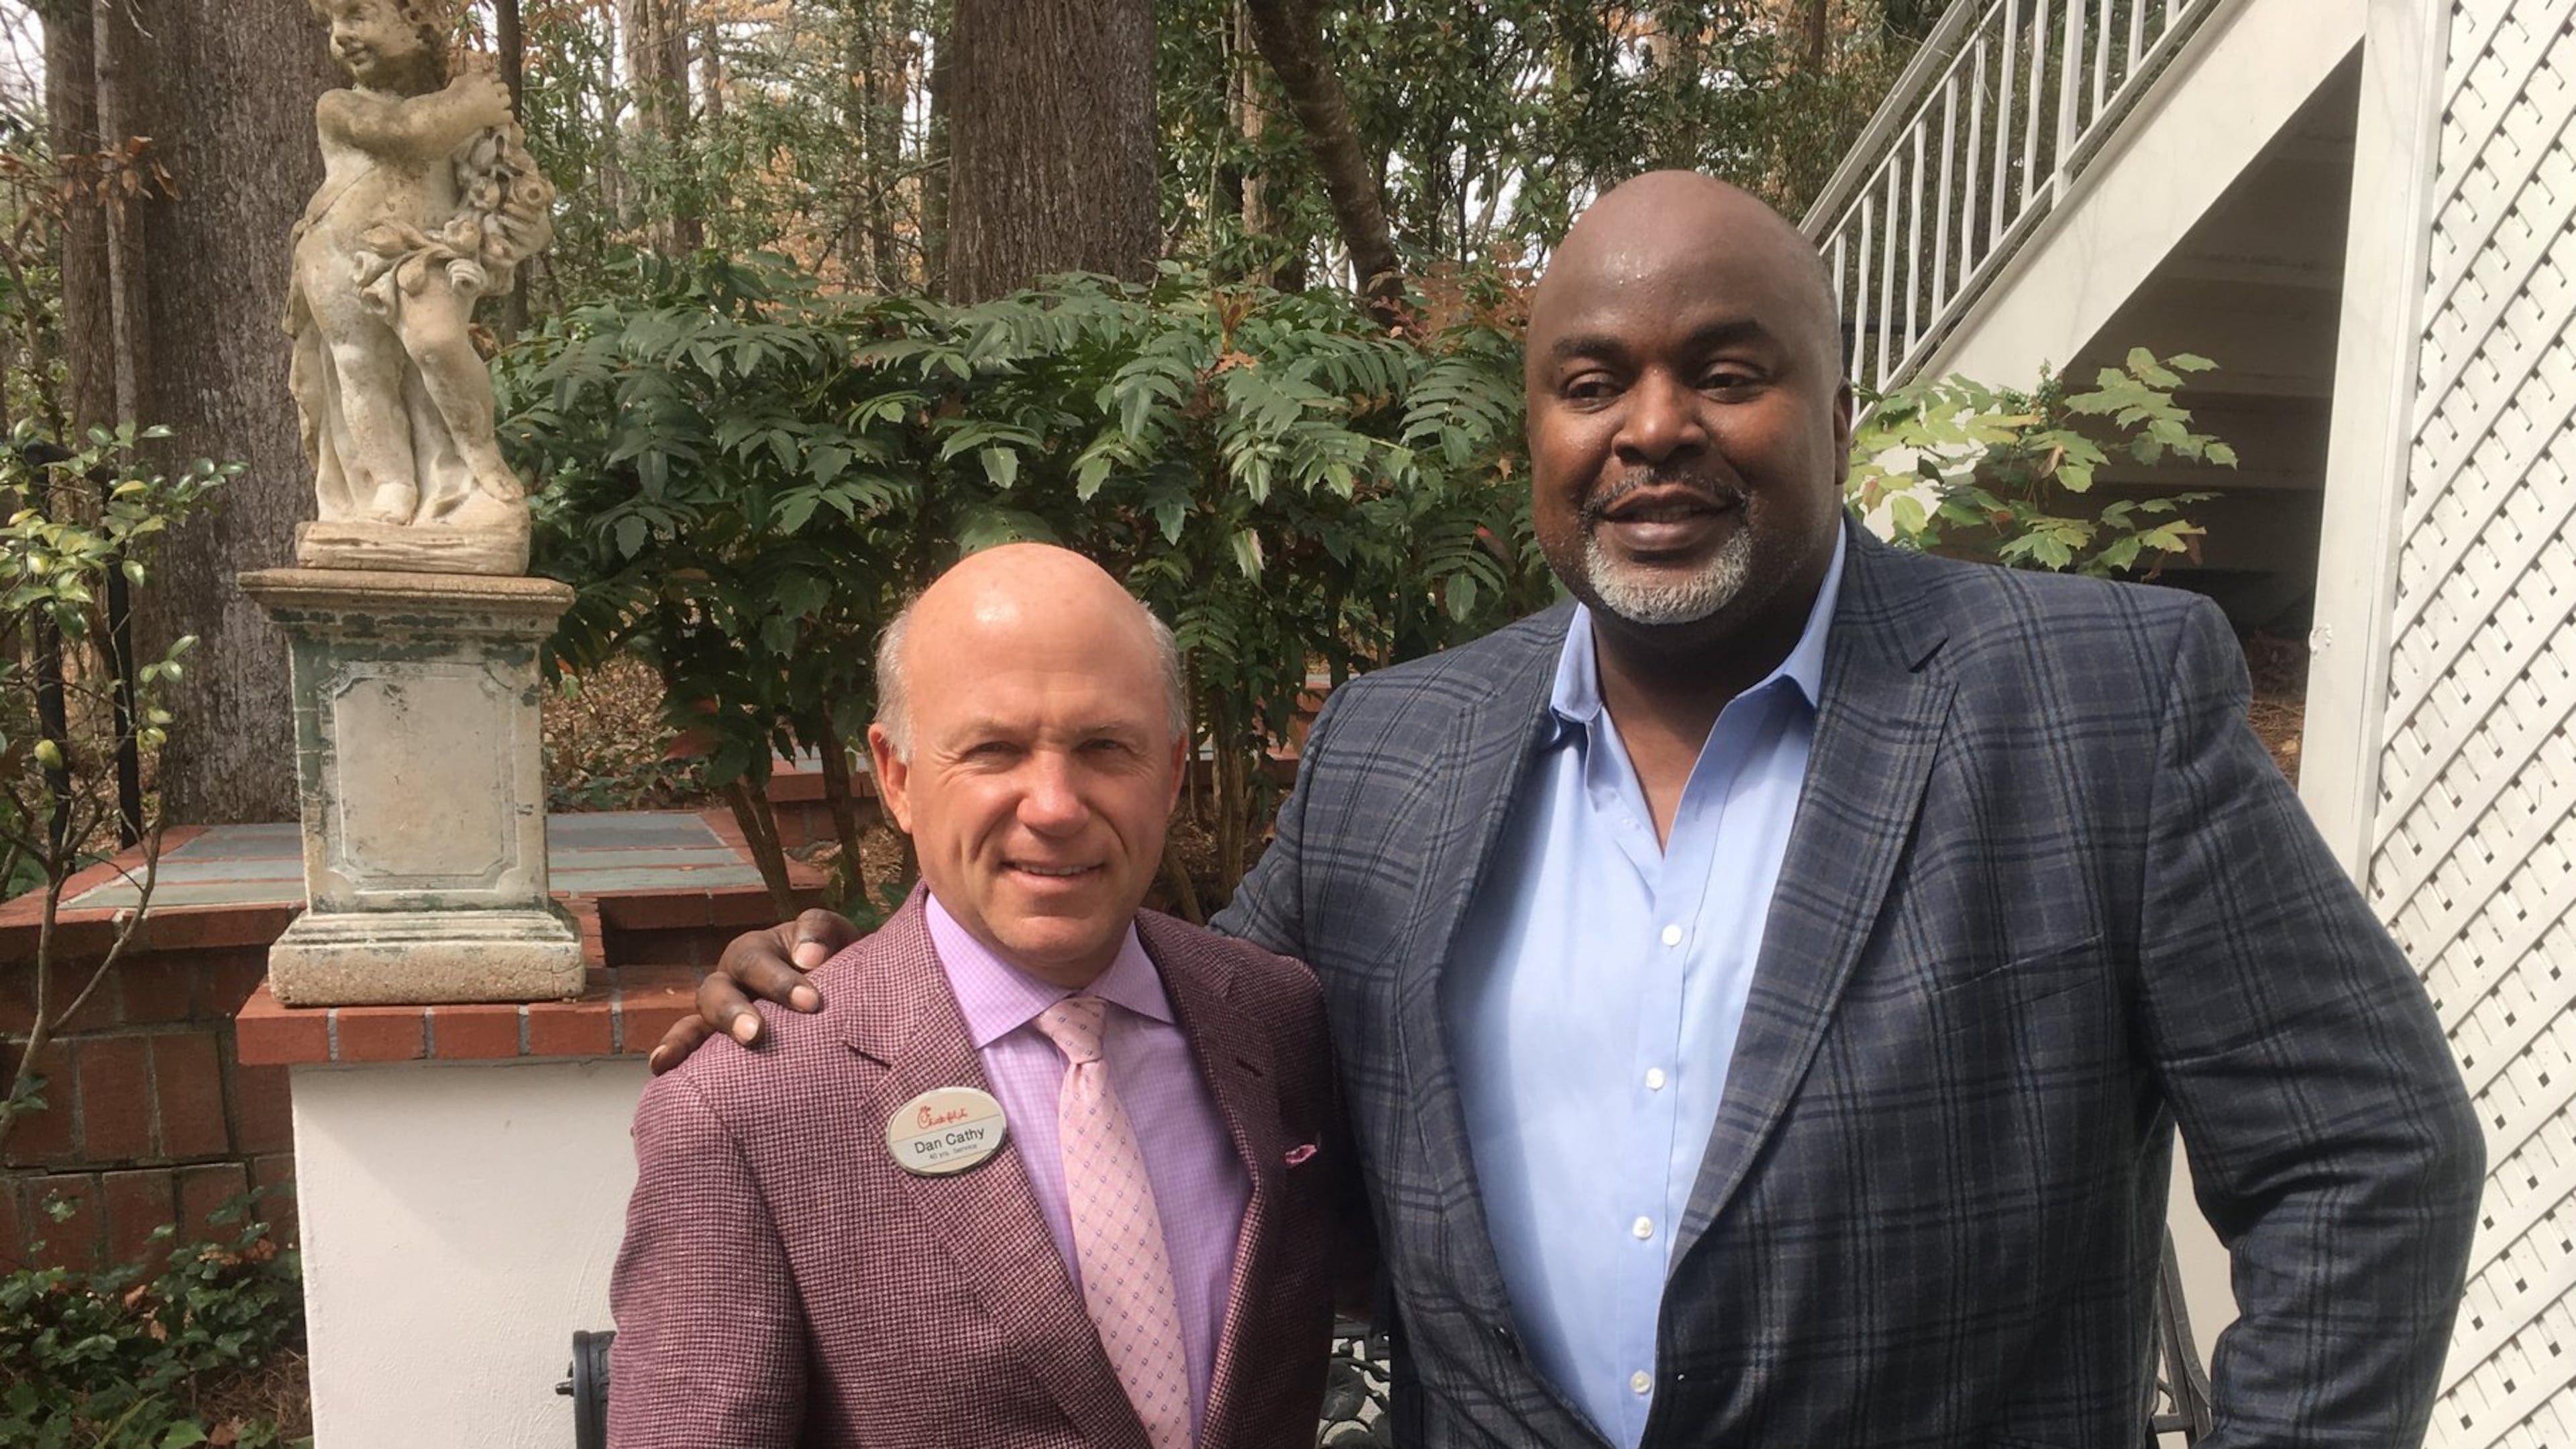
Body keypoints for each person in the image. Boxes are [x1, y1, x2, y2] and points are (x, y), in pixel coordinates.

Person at [657, 174, 2483, 1447]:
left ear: (1833, 404)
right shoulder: (1395, 753)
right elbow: (1167, 1040)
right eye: (1593, 382)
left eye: (1729, 370)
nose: (1655, 426)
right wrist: (860, 987)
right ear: (1531, 431)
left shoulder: (2092, 700)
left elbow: (2364, 1155)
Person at [608, 545, 1353, 1448]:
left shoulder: (1279, 1023)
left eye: (1103, 747)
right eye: (994, 750)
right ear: (896, 778)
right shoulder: (742, 1106)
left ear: (1167, 769)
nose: (1053, 804)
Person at [289, 0, 553, 533]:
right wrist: (471, 102)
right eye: (333, 24)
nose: (343, 35)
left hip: (427, 251)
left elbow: (510, 183)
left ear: (414, 19)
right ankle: (392, 484)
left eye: (357, 15)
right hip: (335, 254)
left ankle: (482, 461)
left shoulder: (464, 107)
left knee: (436, 343)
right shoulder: (338, 106)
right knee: (359, 366)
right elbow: (410, 135)